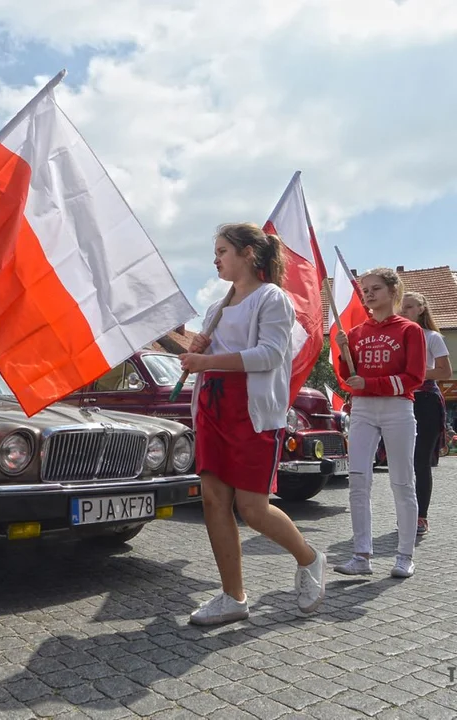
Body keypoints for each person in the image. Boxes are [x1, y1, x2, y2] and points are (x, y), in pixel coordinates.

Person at [180, 223, 326, 625]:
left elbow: (269, 355)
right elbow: (210, 360)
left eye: (223, 250)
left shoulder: (272, 297)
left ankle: (309, 558)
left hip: (252, 413)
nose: (216, 258)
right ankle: (233, 596)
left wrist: (207, 361)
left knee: (253, 509)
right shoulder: (216, 308)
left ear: (248, 253)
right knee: (213, 501)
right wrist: (195, 351)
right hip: (213, 408)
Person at [334, 268, 425, 578]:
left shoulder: (409, 330)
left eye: (375, 288)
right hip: (362, 410)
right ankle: (361, 555)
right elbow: (349, 379)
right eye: (365, 290)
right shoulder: (357, 333)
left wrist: (370, 385)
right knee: (358, 480)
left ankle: (404, 555)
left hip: (397, 409)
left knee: (402, 481)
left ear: (392, 291)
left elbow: (415, 378)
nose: (369, 294)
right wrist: (341, 352)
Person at [399, 292, 450, 535]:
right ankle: (406, 513)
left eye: (409, 307)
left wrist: (415, 373)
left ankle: (421, 517)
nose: (404, 311)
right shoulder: (398, 337)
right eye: (402, 307)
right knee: (402, 463)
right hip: (401, 401)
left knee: (420, 460)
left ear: (421, 308)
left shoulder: (433, 337)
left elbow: (445, 372)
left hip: (426, 400)